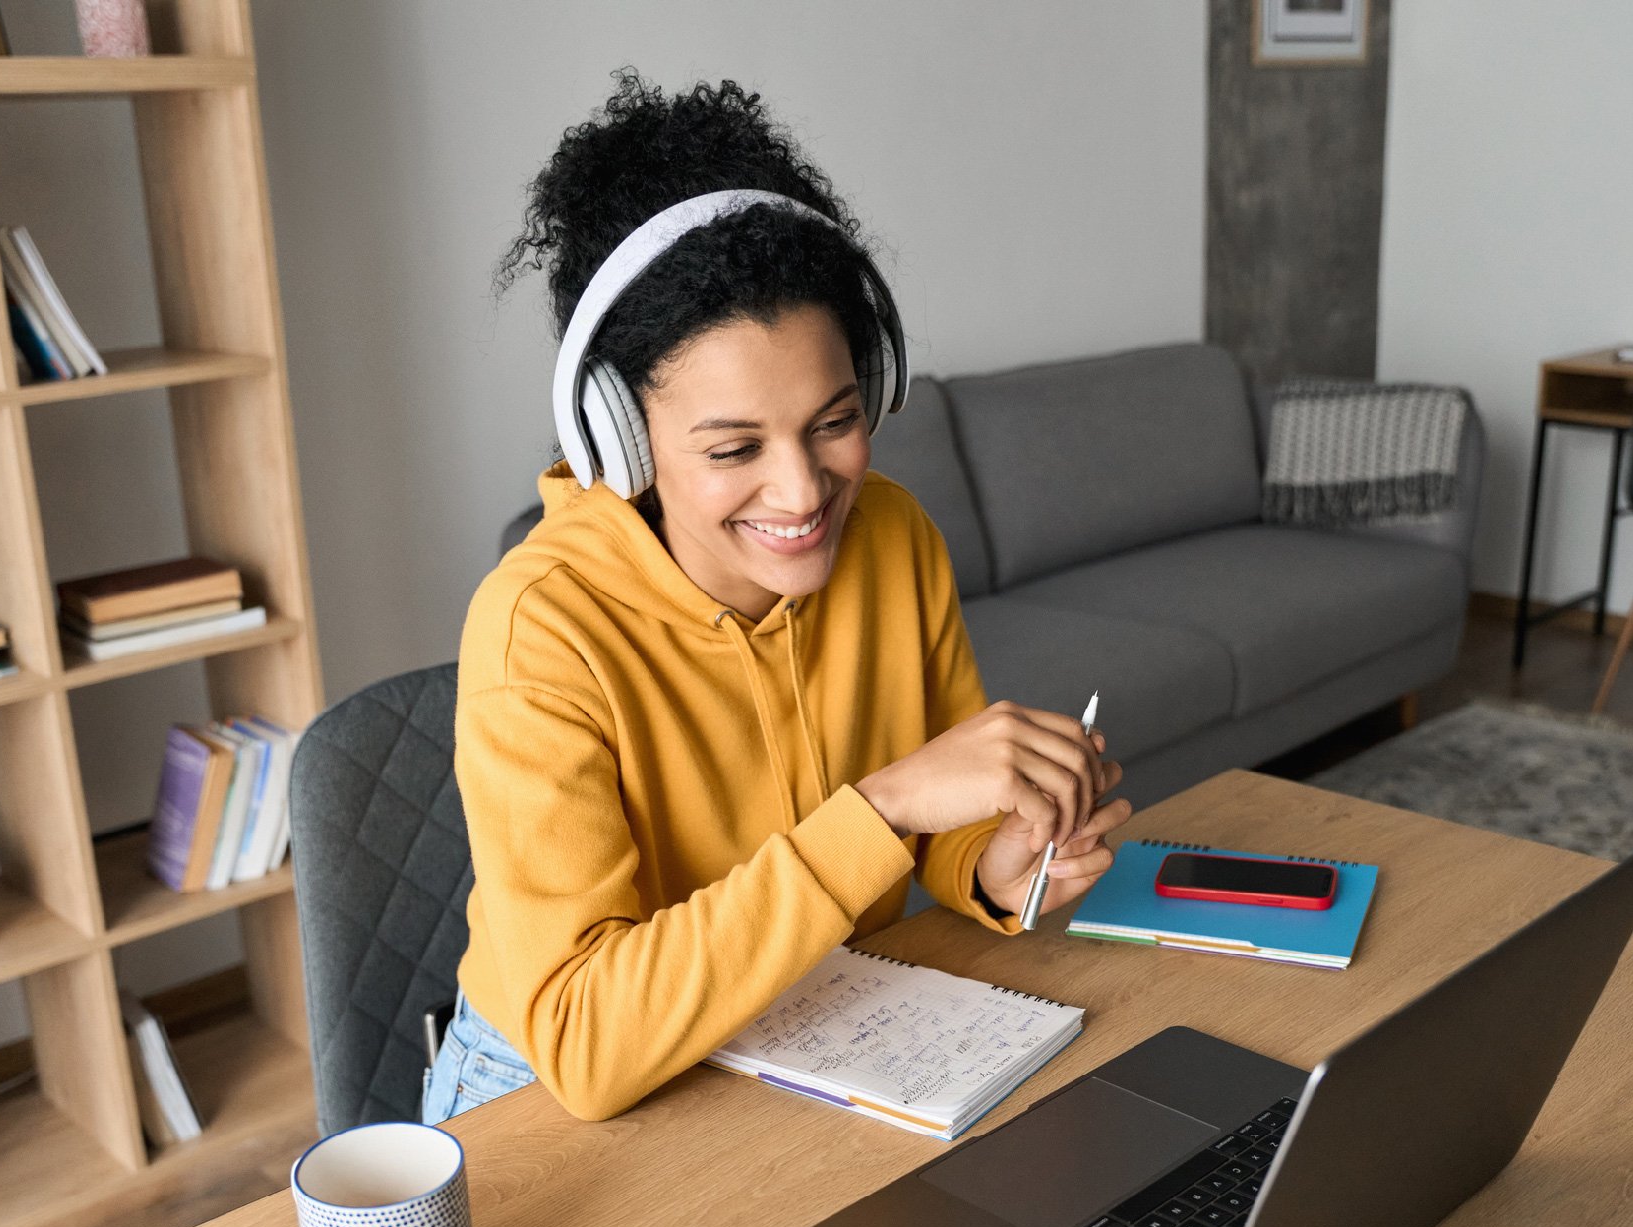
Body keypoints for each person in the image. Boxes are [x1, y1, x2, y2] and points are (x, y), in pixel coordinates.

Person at [426, 73, 1131, 1125]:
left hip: (814, 1022)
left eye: (834, 420)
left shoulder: (893, 536)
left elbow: (935, 831)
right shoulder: (541, 630)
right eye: (732, 448)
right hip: (552, 1089)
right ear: (621, 443)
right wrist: (882, 805)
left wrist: (995, 858)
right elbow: (583, 1037)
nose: (804, 491)